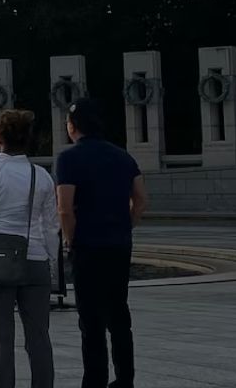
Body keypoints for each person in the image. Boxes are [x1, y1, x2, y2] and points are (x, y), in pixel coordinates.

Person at [56, 97, 148, 388]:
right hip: (119, 245)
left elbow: (64, 208)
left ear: (72, 126)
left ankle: (94, 381)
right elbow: (141, 199)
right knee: (119, 314)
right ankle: (125, 379)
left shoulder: (68, 159)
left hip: (88, 246)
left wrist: (71, 240)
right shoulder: (123, 156)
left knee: (91, 320)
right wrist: (126, 224)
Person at [0, 109, 59, 388]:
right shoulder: (41, 176)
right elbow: (50, 226)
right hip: (35, 261)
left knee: (1, 340)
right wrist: (51, 263)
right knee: (39, 338)